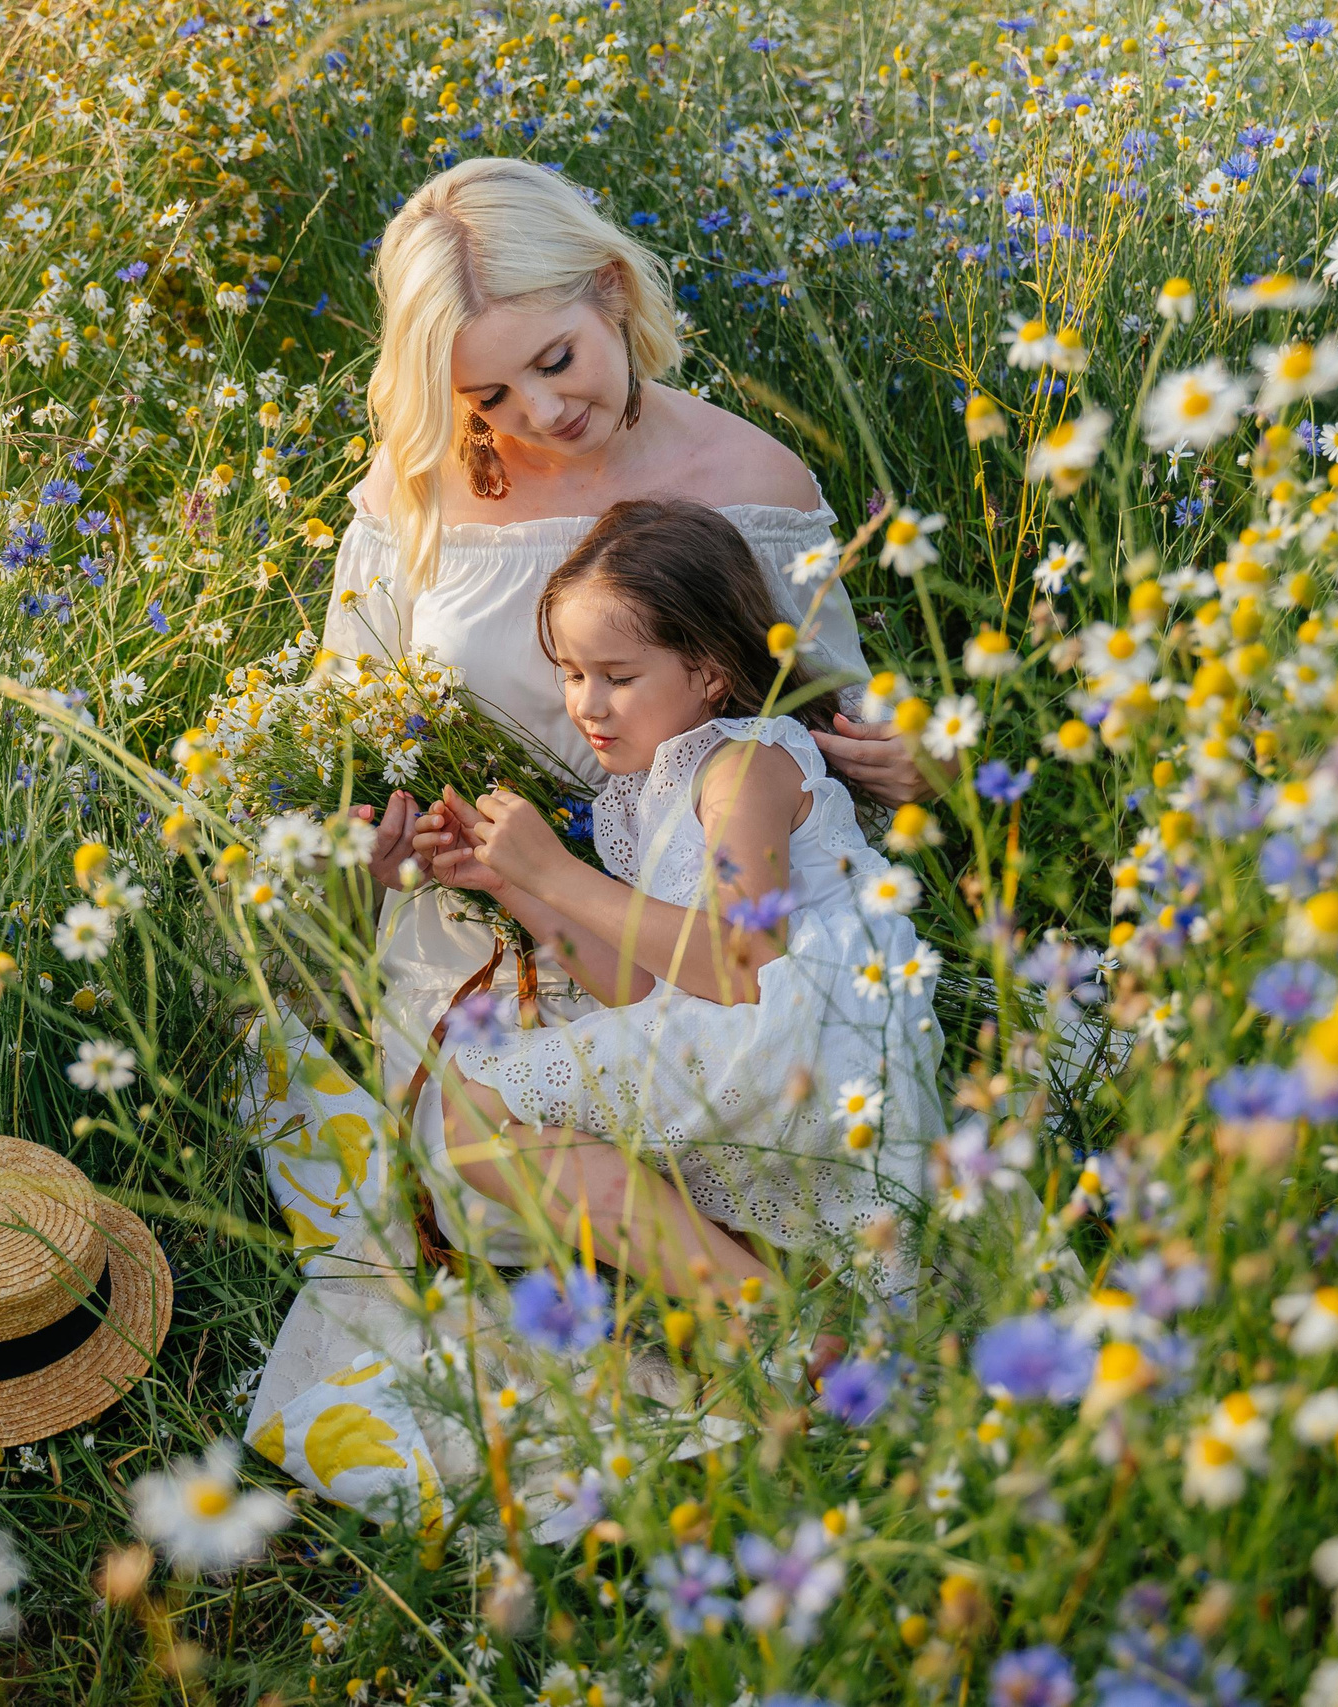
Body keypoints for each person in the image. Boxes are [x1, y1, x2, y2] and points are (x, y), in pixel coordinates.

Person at [237, 157, 933, 1543]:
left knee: (629, 1109)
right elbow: (348, 703)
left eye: (555, 361)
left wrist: (925, 763)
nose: (535, 415)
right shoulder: (418, 483)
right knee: (469, 1161)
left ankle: (757, 1286)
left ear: (613, 293)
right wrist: (367, 838)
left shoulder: (752, 474)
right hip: (482, 891)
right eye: (486, 393)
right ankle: (733, 1257)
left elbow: (816, 714)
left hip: (695, 876)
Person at [428, 498, 940, 1306]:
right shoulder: (651, 787)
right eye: (571, 672)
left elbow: (743, 964)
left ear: (710, 672)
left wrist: (558, 871)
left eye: (618, 677)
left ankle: (767, 1321)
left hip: (813, 1045)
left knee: (477, 1109)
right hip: (759, 1034)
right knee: (473, 1117)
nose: (587, 704)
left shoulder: (744, 766)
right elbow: (649, 984)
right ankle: (765, 1307)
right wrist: (511, 883)